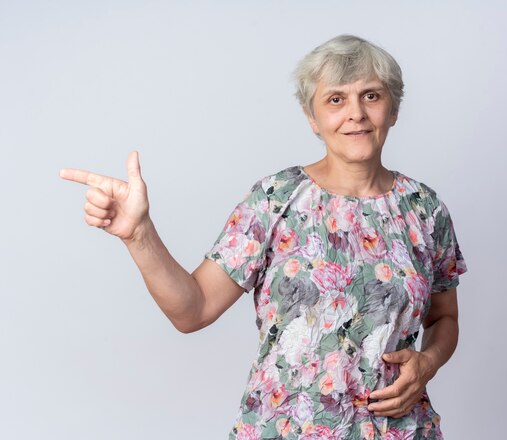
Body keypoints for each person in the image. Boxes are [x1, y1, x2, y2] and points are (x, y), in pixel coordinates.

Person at [60, 34, 467, 440]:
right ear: (312, 118)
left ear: (393, 110)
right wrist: (139, 234)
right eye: (336, 99)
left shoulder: (423, 208)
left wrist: (427, 362)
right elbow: (193, 310)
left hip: (398, 431)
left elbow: (444, 316)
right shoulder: (276, 199)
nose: (356, 113)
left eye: (372, 96)